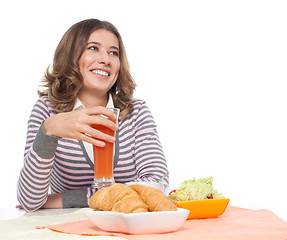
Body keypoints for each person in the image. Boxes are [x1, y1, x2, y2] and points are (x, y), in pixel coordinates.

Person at [16, 19, 168, 212]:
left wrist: (65, 198)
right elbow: (29, 201)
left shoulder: (136, 112)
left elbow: (156, 184)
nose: (106, 59)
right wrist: (49, 131)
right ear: (71, 56)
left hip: (128, 227)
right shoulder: (48, 111)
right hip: (70, 229)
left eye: (114, 52)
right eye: (93, 48)